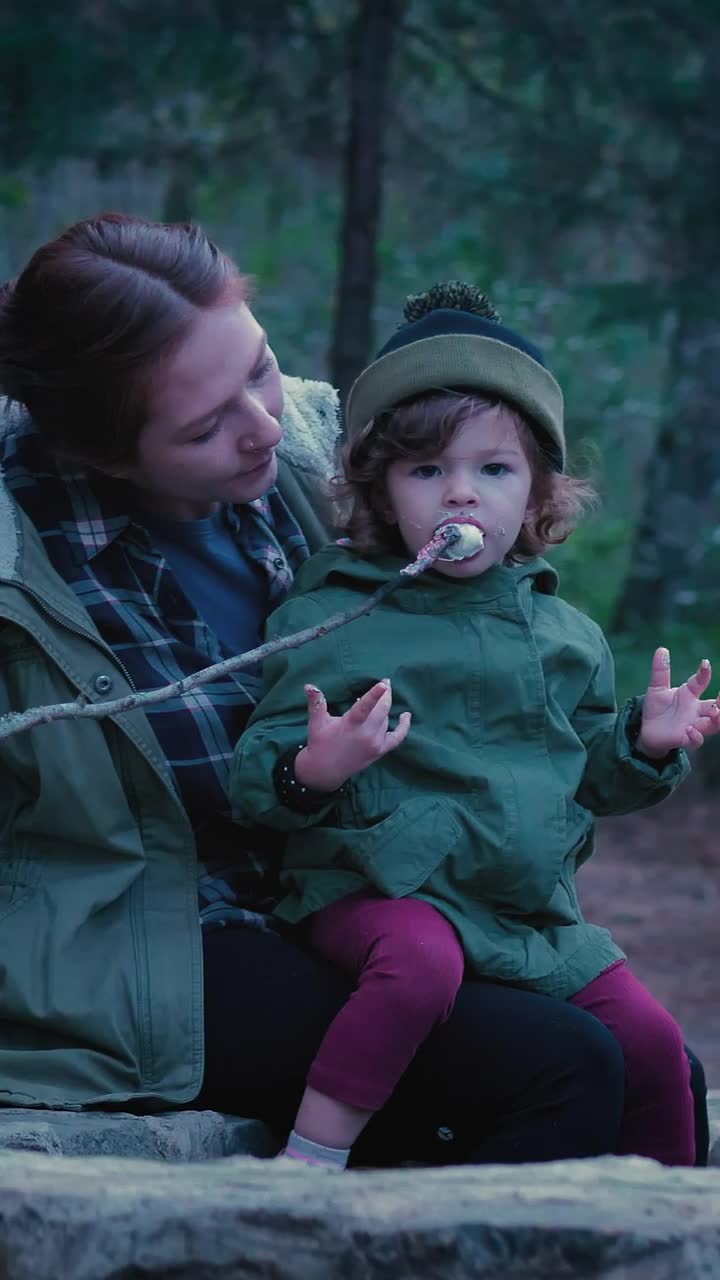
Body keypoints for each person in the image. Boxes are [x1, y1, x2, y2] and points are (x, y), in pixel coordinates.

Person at [231, 282, 717, 1170]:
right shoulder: (341, 616)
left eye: (493, 471)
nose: (462, 496)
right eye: (427, 472)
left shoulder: (564, 635)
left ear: (536, 492)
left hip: (522, 912)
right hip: (373, 893)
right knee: (421, 968)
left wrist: (645, 747)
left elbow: (591, 775)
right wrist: (316, 766)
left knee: (652, 1046)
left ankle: (666, 1224)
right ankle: (308, 1163)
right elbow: (258, 775)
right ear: (379, 488)